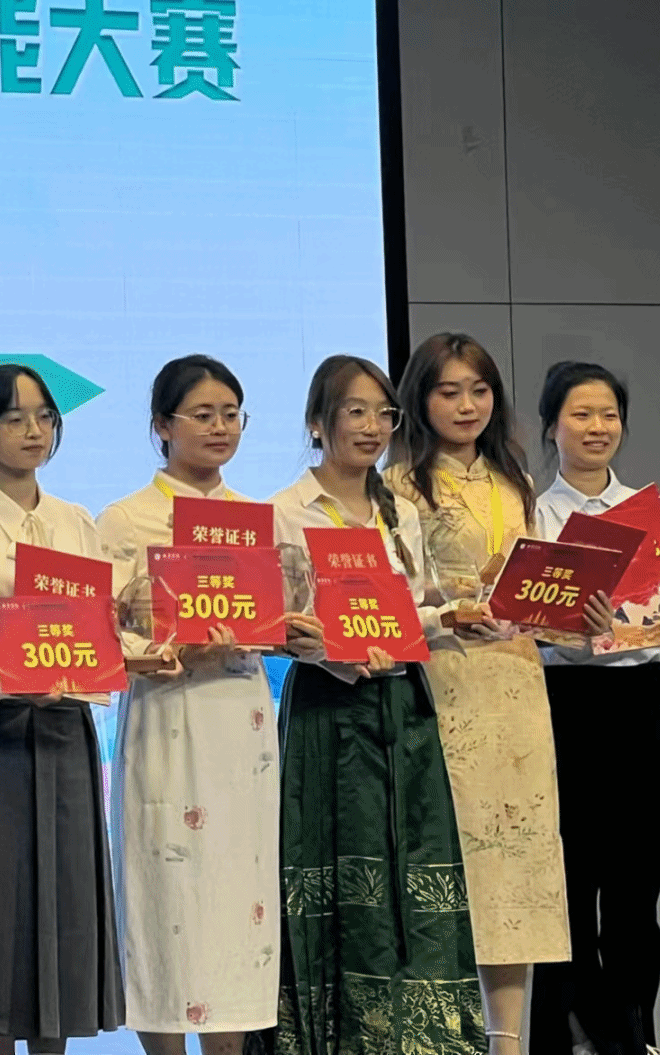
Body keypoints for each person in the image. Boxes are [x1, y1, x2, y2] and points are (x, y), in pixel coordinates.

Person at [270, 354, 482, 1055]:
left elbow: (408, 610)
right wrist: (328, 648)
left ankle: (415, 1038)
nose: (371, 426)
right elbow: (278, 623)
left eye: (383, 413)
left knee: (410, 867)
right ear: (317, 422)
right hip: (328, 707)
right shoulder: (284, 510)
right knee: (334, 867)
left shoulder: (401, 511)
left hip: (403, 705)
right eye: (354, 411)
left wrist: (451, 618)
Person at [386, 332, 569, 1055]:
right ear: (419, 399)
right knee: (449, 861)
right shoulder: (399, 486)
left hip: (518, 685)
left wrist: (569, 610)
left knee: (518, 865)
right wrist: (449, 606)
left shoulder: (514, 481)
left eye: (480, 390)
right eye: (449, 391)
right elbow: (393, 600)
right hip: (444, 684)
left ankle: (508, 1042)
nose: (467, 405)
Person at [0, 363, 125, 1054]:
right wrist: (6, 677)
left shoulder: (76, 521)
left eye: (44, 416)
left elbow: (101, 625)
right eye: (13, 418)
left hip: (66, 727)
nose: (33, 430)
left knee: (64, 903)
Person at [96, 354, 279, 1055]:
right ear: (161, 426)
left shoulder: (254, 521)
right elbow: (102, 632)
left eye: (231, 414)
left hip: (240, 722)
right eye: (202, 414)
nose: (220, 427)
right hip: (168, 719)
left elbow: (279, 619)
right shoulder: (126, 519)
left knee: (236, 903)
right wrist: (166, 647)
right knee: (166, 900)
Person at [529, 362, 660, 1055]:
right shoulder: (536, 515)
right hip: (567, 706)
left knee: (635, 889)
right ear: (551, 426)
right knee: (571, 885)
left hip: (641, 703)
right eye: (581, 414)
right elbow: (522, 622)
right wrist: (569, 626)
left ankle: (633, 1034)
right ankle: (575, 1033)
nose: (597, 428)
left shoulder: (653, 512)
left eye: (609, 414)